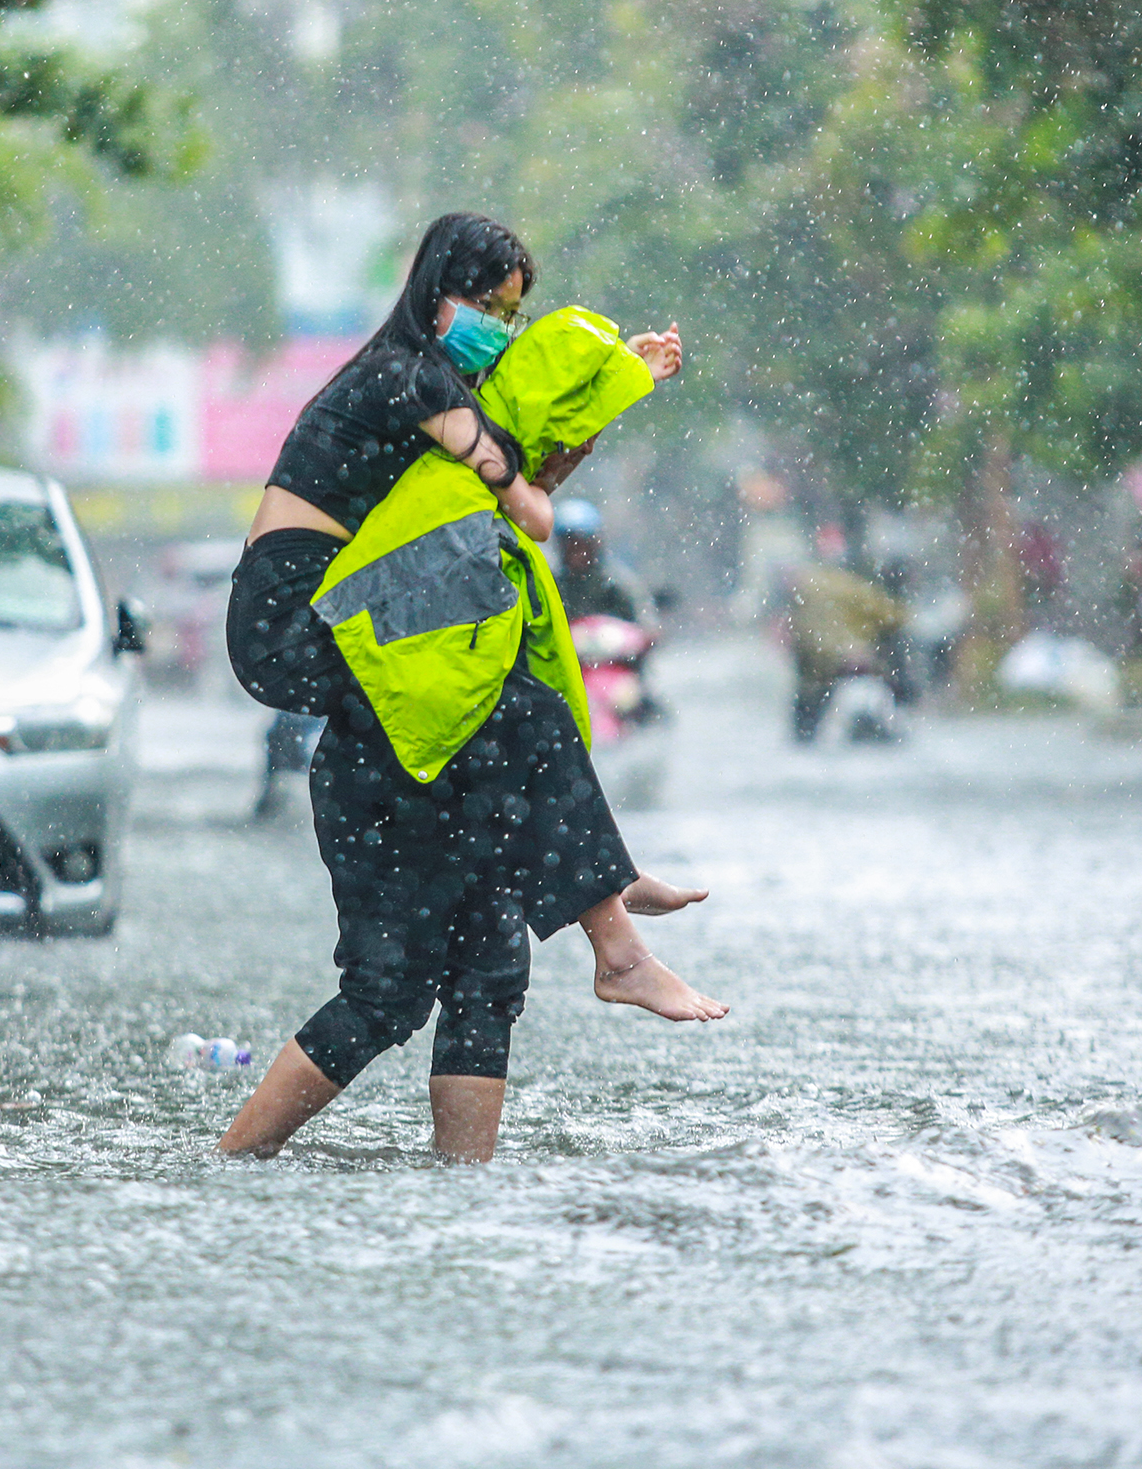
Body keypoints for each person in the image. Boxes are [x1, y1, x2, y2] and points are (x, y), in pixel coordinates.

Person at [215, 213, 720, 1165]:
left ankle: (459, 1195)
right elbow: (518, 495)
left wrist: (615, 395)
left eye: (512, 312)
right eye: (487, 305)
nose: (499, 324)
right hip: (297, 624)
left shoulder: (442, 390)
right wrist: (552, 447)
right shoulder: (409, 377)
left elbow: (527, 471)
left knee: (487, 961)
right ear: (437, 290)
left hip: (371, 669)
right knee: (519, 704)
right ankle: (613, 927)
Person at [784, 560, 909, 742]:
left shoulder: (807, 589)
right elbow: (893, 615)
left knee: (809, 698)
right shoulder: (855, 588)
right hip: (852, 655)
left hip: (818, 658)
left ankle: (805, 733)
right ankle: (890, 722)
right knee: (891, 679)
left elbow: (799, 627)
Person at [553, 500, 647, 625]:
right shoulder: (553, 585)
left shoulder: (617, 582)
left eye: (583, 544)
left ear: (595, 545)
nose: (577, 552)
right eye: (570, 545)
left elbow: (644, 621)